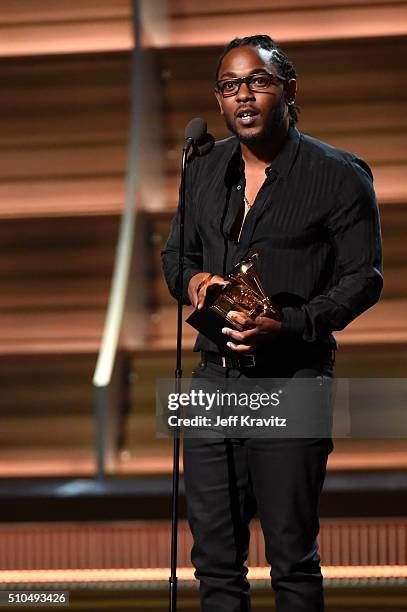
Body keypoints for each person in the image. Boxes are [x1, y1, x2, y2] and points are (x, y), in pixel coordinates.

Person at [161, 34, 382, 612]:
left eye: (257, 81)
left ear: (288, 88)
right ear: (219, 99)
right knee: (212, 562)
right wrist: (194, 283)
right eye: (230, 86)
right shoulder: (203, 168)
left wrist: (290, 322)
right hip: (213, 383)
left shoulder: (339, 174)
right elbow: (173, 257)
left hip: (294, 377)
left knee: (291, 560)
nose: (244, 96)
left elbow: (365, 279)